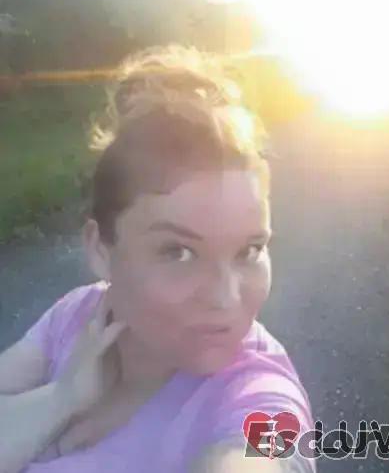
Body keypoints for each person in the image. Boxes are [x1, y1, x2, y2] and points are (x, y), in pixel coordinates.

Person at [0, 45, 316, 472]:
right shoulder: (77, 317)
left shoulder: (253, 392)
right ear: (101, 249)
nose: (225, 299)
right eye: (178, 252)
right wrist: (63, 397)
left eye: (250, 250)